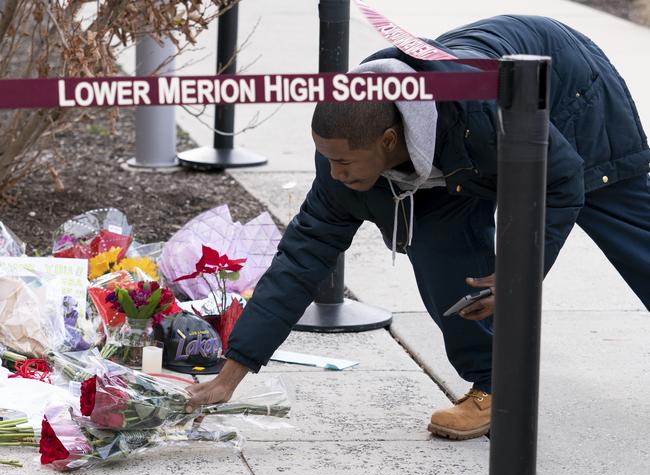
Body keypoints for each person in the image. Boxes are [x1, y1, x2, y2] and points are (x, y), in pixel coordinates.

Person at [185, 15, 650, 440]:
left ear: (388, 140)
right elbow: (301, 258)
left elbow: (563, 180)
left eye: (344, 162)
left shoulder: (483, 116)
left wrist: (519, 273)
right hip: (449, 150)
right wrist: (231, 375)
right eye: (328, 160)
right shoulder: (347, 146)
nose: (335, 173)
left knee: (629, 232)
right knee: (440, 250)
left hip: (564, 94)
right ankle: (494, 387)